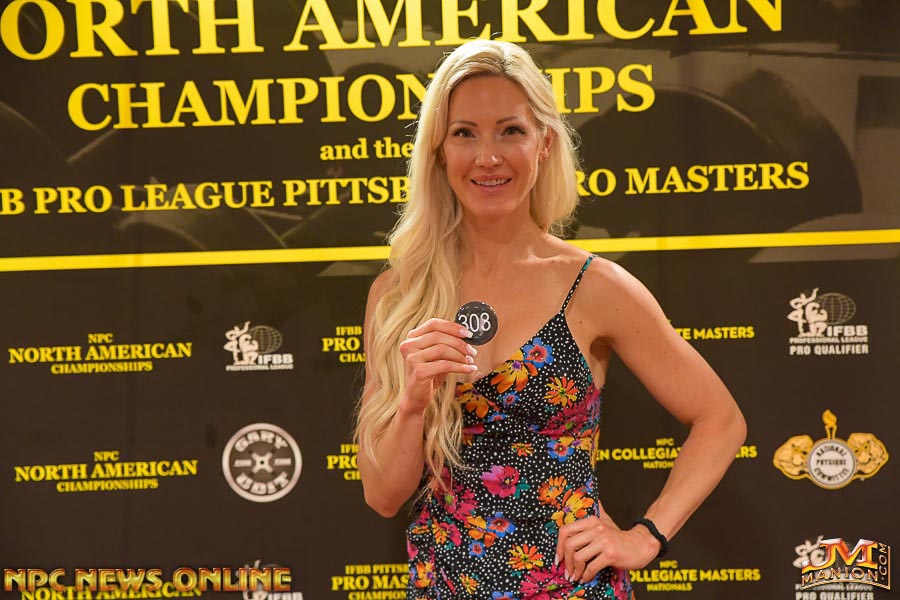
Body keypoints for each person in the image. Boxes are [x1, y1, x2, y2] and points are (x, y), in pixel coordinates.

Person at [355, 39, 746, 600]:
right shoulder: (399, 294)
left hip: (572, 587)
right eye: (464, 133)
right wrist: (413, 402)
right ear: (438, 151)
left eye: (510, 131)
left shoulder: (593, 285)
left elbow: (720, 420)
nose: (487, 157)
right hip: (445, 585)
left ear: (544, 143)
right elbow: (382, 496)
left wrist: (646, 536)